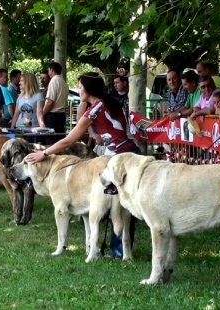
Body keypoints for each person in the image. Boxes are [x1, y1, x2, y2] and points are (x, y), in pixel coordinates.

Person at [26, 72, 140, 258]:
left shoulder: (94, 110)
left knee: (117, 204)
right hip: (132, 153)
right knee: (125, 204)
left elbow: (68, 140)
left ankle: (117, 251)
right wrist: (102, 138)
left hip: (116, 159)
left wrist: (44, 153)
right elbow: (116, 130)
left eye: (80, 87)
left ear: (88, 89)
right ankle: (123, 250)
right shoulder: (111, 102)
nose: (78, 91)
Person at [43, 62, 69, 144]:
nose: (48, 73)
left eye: (48, 70)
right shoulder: (64, 82)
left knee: (51, 142)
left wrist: (43, 113)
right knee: (60, 141)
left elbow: (50, 102)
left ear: (52, 70)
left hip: (52, 116)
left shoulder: (54, 81)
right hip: (61, 115)